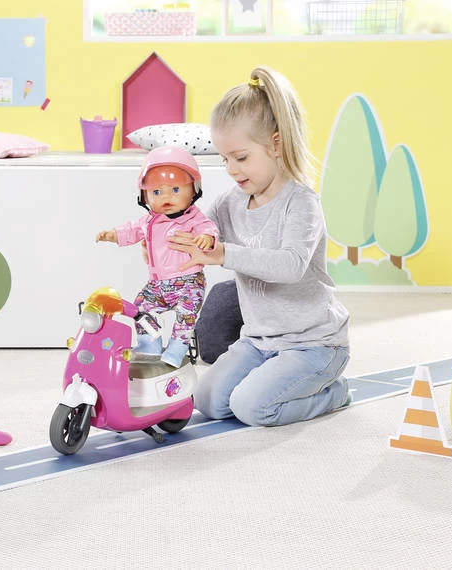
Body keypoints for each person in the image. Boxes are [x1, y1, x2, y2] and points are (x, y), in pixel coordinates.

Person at [169, 65, 351, 426]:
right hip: (258, 341)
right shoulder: (229, 203)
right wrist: (164, 241)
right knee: (208, 401)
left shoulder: (300, 203)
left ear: (276, 144)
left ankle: (334, 392)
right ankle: (274, 378)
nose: (231, 169)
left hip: (312, 344)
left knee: (252, 408)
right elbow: (195, 230)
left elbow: (290, 265)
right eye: (224, 159)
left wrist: (224, 253)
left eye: (241, 157)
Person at [96, 146, 219, 368]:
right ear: (144, 196)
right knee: (141, 306)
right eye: (156, 192)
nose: (166, 197)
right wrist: (113, 235)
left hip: (189, 282)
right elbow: (131, 230)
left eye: (175, 189)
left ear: (194, 191)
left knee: (186, 315)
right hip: (157, 285)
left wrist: (207, 238)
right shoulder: (149, 221)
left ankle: (178, 347)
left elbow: (208, 228)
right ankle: (149, 342)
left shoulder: (193, 218)